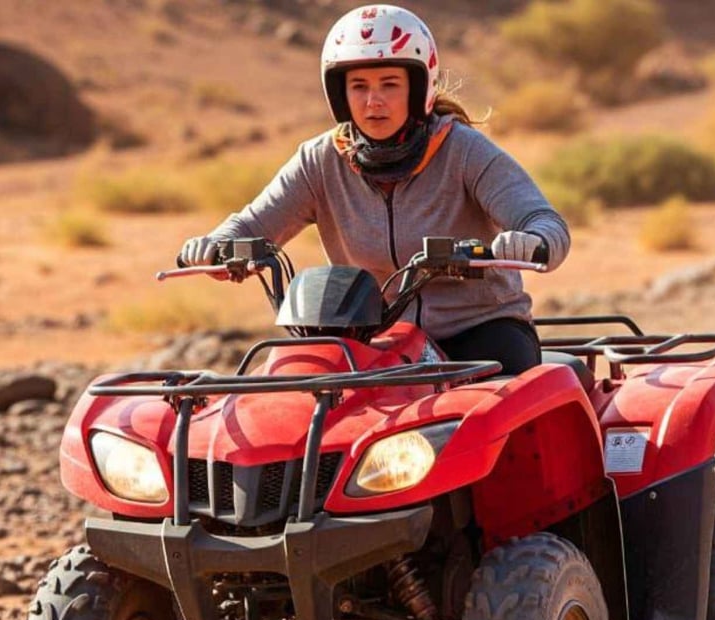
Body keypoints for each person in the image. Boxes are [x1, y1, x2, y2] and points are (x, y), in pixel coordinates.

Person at [177, 4, 569, 376]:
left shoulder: (463, 150)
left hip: (476, 331)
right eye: (359, 86)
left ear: (419, 88)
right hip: (370, 338)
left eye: (389, 84)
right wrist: (216, 245)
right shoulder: (320, 159)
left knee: (502, 404)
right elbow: (252, 224)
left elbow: (544, 221)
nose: (373, 101)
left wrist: (531, 241)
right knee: (290, 399)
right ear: (340, 94)